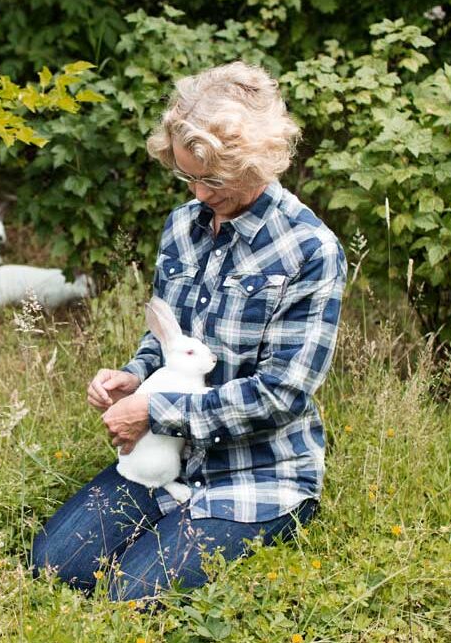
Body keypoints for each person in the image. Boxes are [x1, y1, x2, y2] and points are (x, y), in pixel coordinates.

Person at [30, 62, 347, 601]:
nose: (199, 193)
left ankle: (284, 519)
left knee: (129, 595)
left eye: (214, 179)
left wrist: (155, 411)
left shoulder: (309, 251)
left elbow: (282, 395)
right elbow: (168, 340)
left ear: (258, 161)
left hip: (260, 475)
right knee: (55, 566)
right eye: (188, 177)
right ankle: (167, 516)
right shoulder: (182, 227)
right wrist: (134, 379)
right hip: (167, 457)